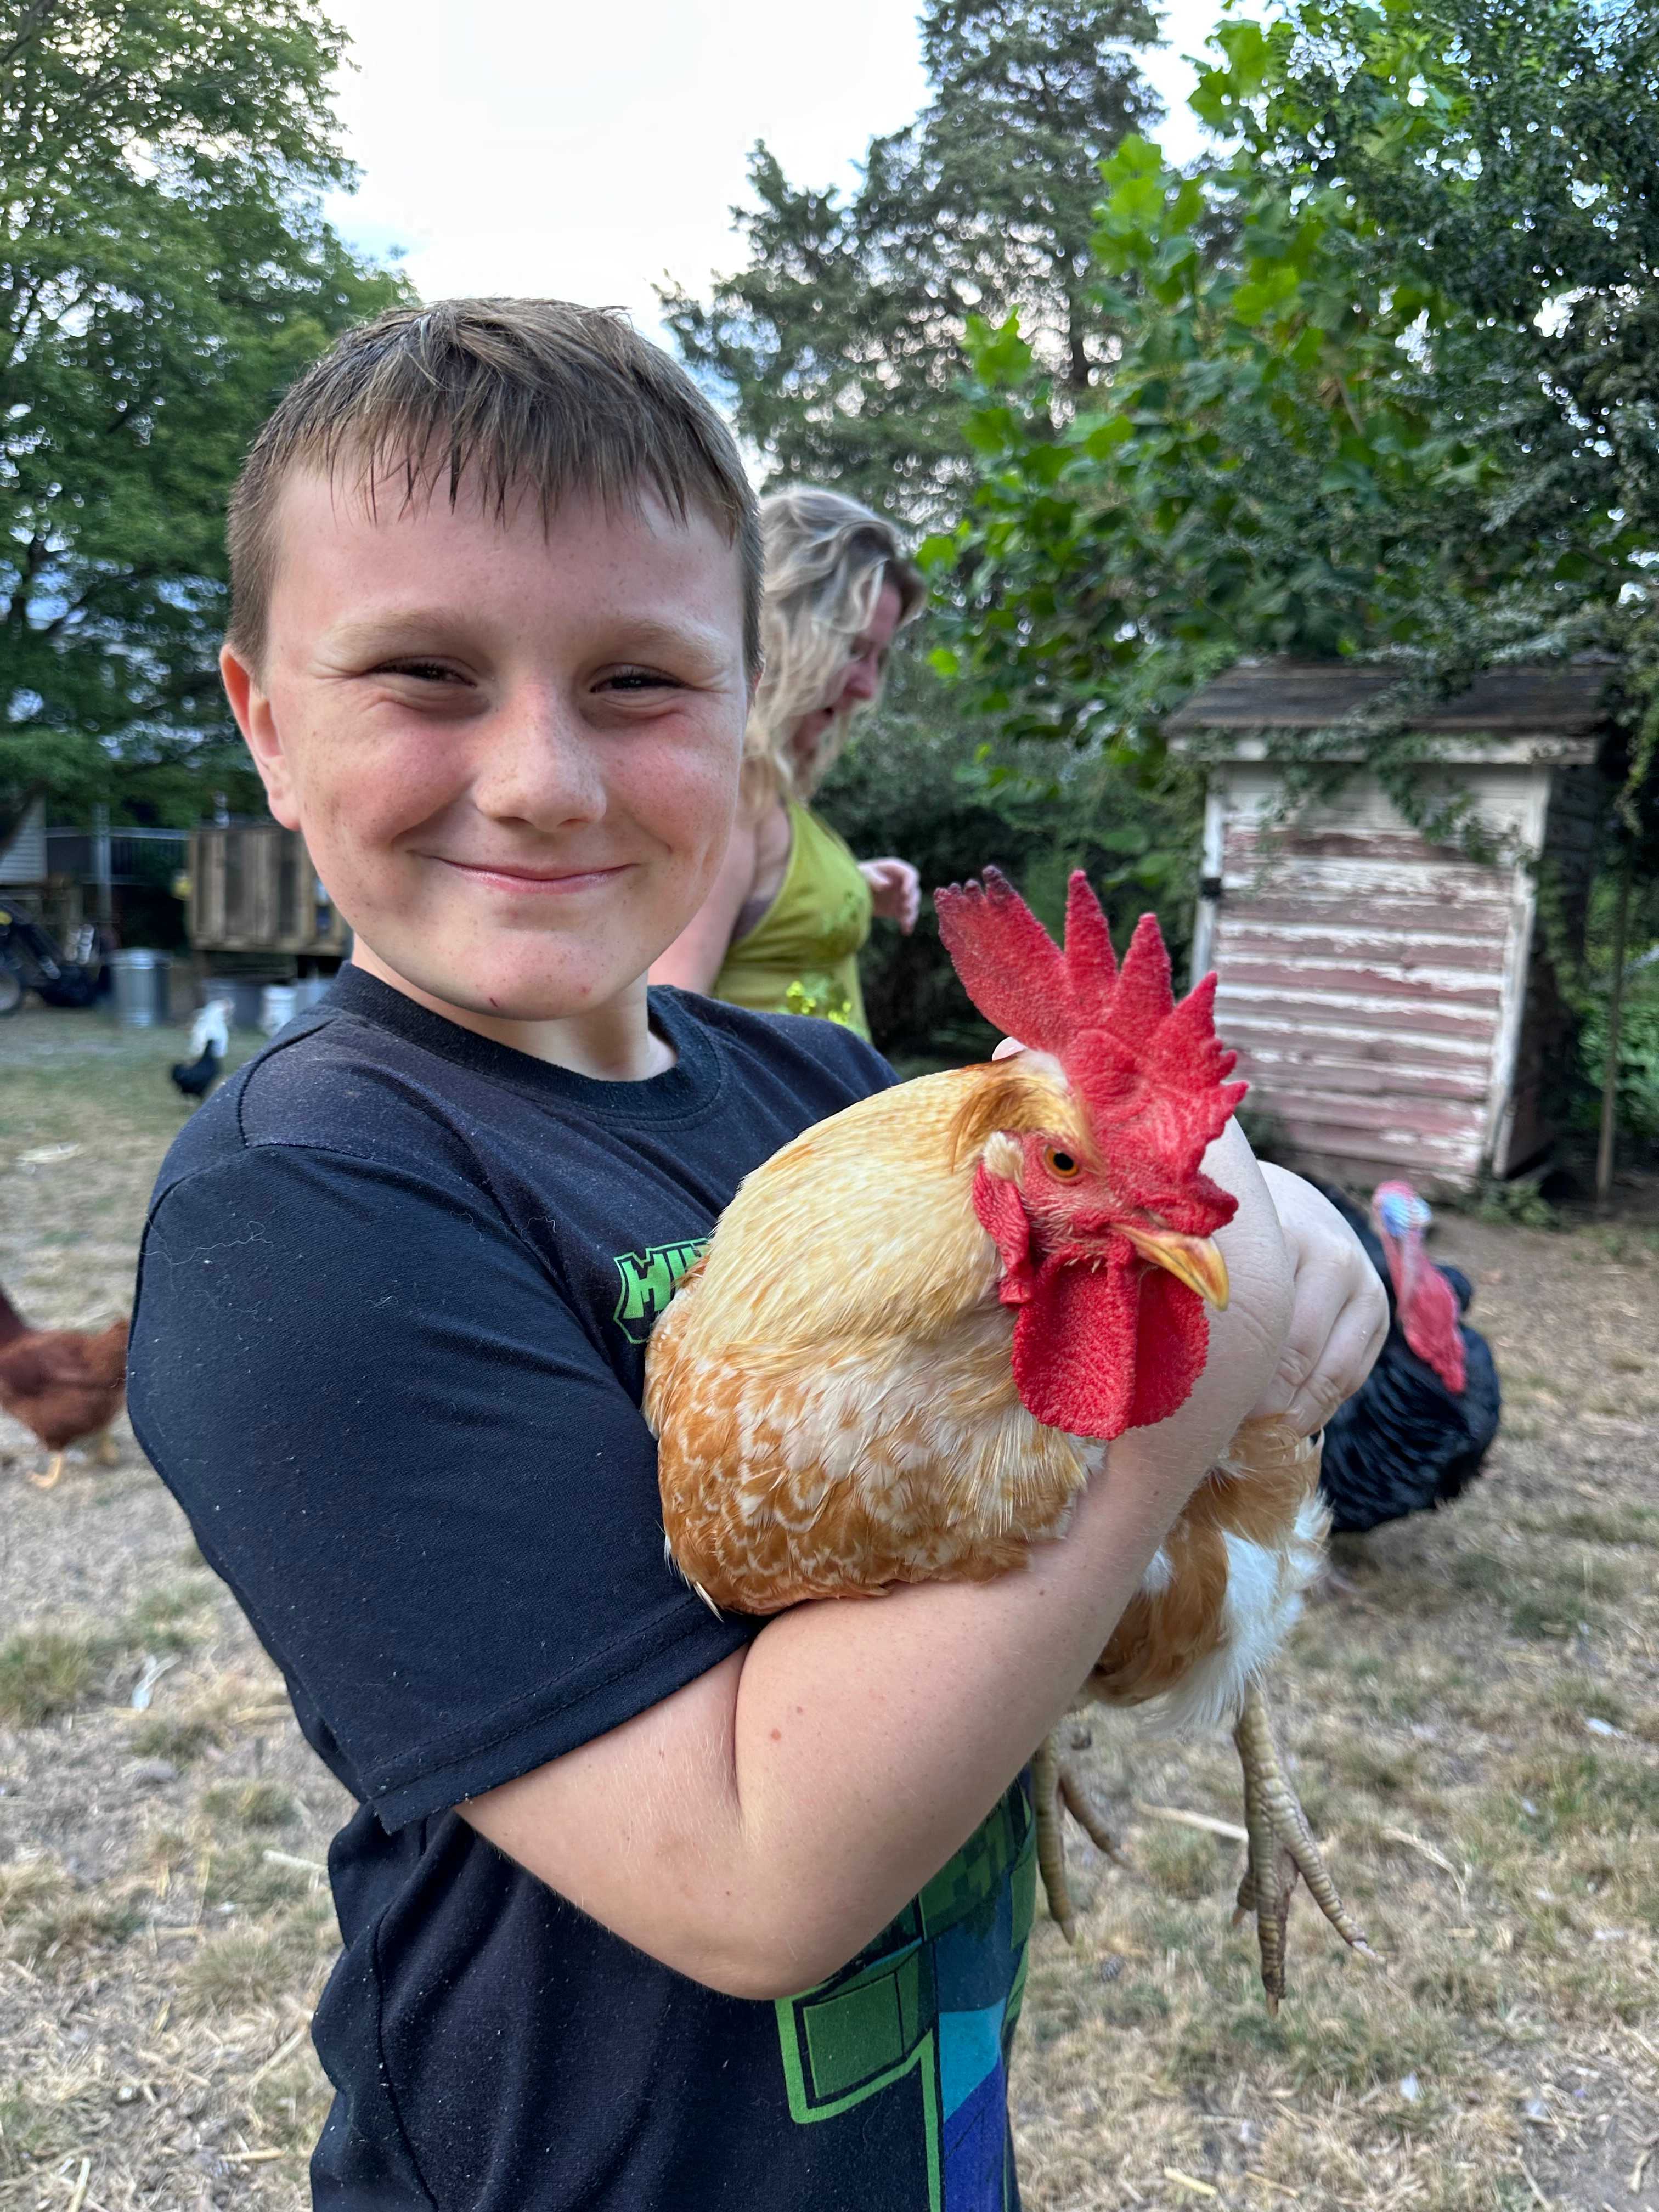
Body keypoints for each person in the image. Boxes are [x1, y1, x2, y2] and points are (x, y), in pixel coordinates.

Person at [126, 298, 1387, 2212]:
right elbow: (750, 1870)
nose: (543, 773)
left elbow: (1127, 1224)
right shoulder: (306, 1209)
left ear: (745, 711)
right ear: (268, 726)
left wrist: (1269, 1225)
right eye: (425, 675)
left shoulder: (802, 1083)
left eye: (637, 681)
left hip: (912, 2115)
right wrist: (1236, 1318)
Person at [649, 486, 924, 1037]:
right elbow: (667, 1027)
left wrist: (850, 884)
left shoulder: (766, 793)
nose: (868, 687)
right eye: (852, 650)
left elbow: (762, 917)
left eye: (878, 658)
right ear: (779, 631)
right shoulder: (736, 797)